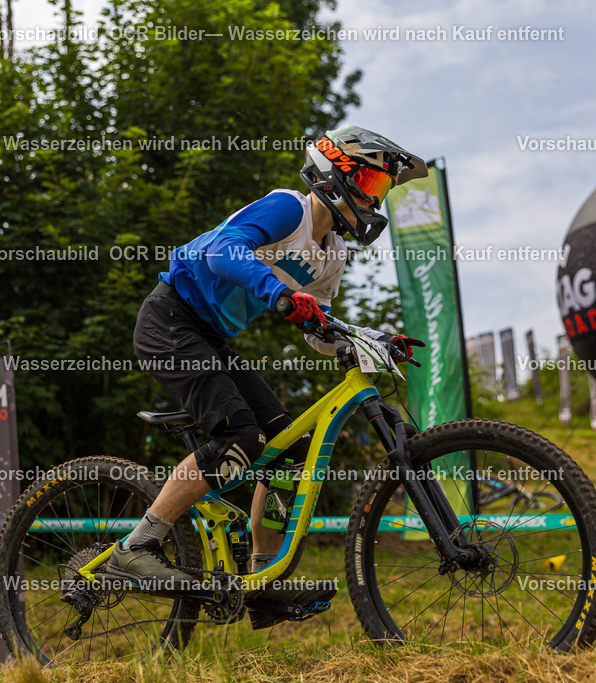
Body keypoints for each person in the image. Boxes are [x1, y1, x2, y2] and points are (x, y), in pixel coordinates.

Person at [107, 125, 427, 628]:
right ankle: (137, 546)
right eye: (369, 183)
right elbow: (222, 250)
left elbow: (321, 327)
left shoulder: (333, 255)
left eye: (380, 189)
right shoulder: (288, 209)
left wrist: (375, 340)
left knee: (288, 452)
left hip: (211, 338)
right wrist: (278, 295)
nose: (373, 199)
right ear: (333, 172)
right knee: (241, 436)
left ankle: (260, 581)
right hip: (170, 320)